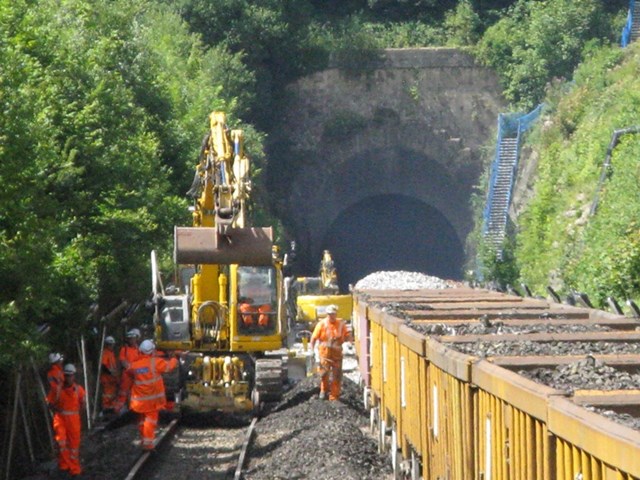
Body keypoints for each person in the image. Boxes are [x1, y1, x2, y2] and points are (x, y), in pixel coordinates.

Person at [116, 339, 178, 451]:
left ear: (140, 351)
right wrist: (174, 358)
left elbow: (128, 372)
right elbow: (169, 367)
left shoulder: (134, 366)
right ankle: (148, 444)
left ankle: (144, 440)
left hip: (138, 402)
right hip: (152, 401)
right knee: (150, 421)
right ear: (152, 351)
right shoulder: (156, 362)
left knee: (141, 421)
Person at [47, 363, 86, 478]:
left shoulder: (78, 390)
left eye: (70, 375)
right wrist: (56, 409)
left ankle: (74, 469)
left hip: (74, 421)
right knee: (62, 442)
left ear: (74, 376)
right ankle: (64, 467)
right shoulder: (57, 389)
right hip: (60, 419)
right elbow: (49, 402)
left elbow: (83, 404)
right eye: (67, 375)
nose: (68, 377)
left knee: (74, 446)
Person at [310, 304, 351, 401]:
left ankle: (334, 396)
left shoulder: (341, 324)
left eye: (332, 314)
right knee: (324, 374)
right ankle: (323, 391)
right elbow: (314, 338)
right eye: (329, 314)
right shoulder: (321, 324)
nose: (331, 316)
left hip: (337, 355)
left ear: (336, 314)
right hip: (325, 354)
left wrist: (349, 342)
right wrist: (312, 350)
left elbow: (347, 335)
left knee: (336, 376)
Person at [100, 336, 119, 414]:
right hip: (107, 379)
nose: (112, 346)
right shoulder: (106, 353)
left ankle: (111, 411)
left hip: (111, 380)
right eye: (110, 344)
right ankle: (106, 411)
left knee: (112, 396)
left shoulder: (111, 353)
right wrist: (110, 373)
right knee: (107, 396)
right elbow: (103, 366)